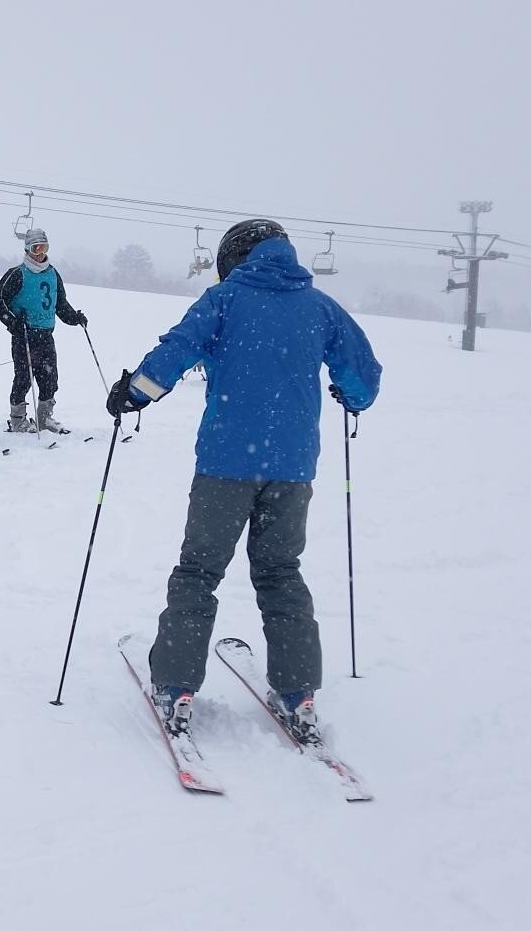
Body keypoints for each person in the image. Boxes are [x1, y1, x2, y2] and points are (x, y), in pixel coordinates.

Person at [105, 218, 381, 744]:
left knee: (199, 571)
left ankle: (176, 684)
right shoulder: (319, 307)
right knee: (281, 572)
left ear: (234, 256)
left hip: (226, 464)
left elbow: (177, 350)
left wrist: (134, 393)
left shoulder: (225, 300)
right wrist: (353, 397)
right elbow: (363, 374)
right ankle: (298, 693)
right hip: (293, 469)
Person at [0, 227, 87, 433]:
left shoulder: (53, 274)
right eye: (36, 248)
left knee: (49, 378)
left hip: (46, 334)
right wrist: (13, 322)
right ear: (28, 249)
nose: (41, 252)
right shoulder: (17, 274)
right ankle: (18, 420)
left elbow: (60, 303)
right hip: (24, 334)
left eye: (44, 247)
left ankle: (45, 418)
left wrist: (74, 318)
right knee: (23, 378)